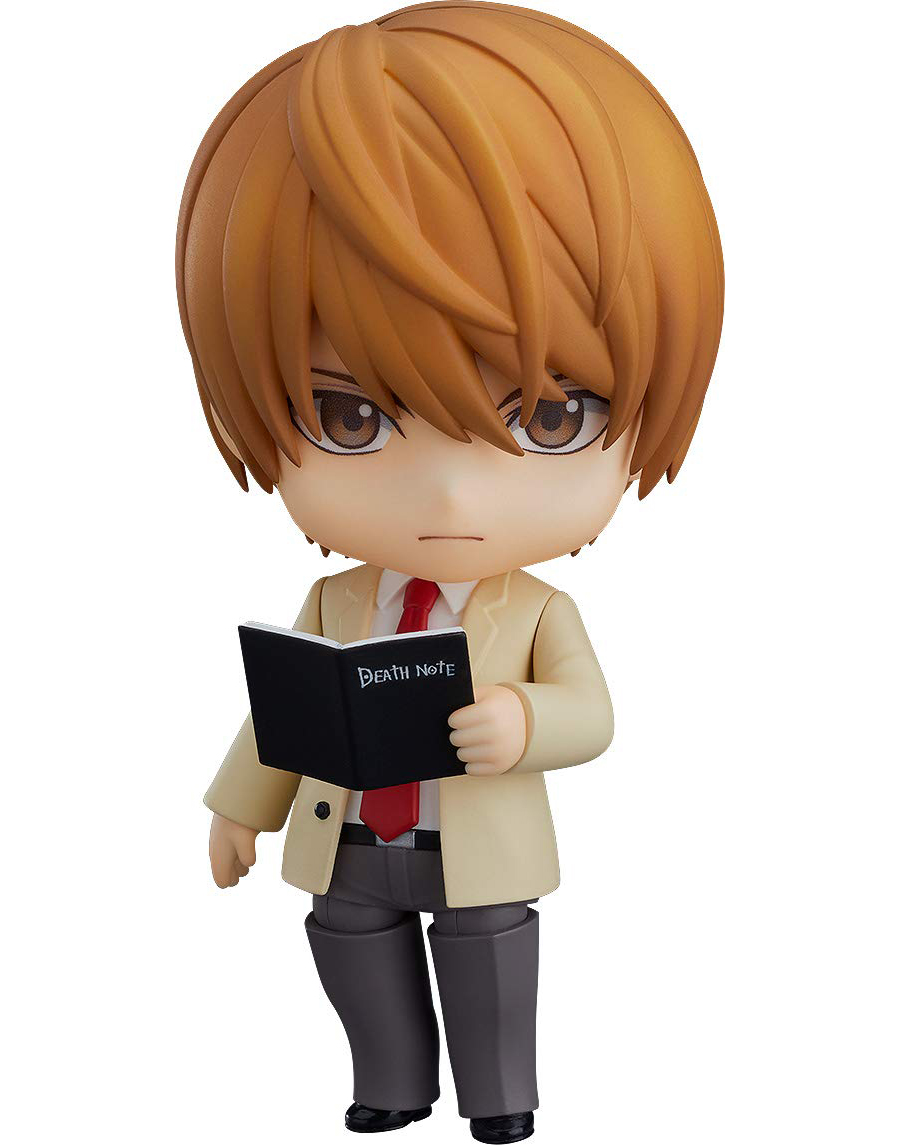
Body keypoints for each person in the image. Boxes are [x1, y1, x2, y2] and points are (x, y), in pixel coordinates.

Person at [176, 5, 723, 1141]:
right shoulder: (336, 601)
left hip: (478, 847)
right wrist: (238, 806)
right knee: (349, 944)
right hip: (353, 840)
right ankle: (391, 1083)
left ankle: (500, 1098)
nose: (453, 499)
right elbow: (285, 711)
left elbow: (592, 711)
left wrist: (525, 721)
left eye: (552, 416)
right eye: (350, 416)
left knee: (489, 964)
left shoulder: (537, 610)